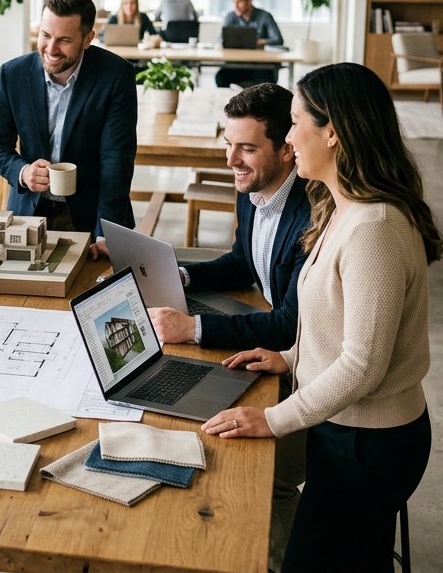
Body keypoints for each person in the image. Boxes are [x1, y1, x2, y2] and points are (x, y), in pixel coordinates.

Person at [203, 62, 443, 572]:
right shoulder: (341, 207)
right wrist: (290, 357)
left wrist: (271, 419)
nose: (288, 137)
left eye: (293, 123)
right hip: (348, 428)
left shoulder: (372, 228)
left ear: (331, 132)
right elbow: (335, 322)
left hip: (370, 444)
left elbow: (363, 364)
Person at [145, 82, 310, 572]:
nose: (231, 159)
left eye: (246, 147)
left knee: (238, 463)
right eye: (227, 143)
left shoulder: (309, 211)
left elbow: (288, 325)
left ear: (286, 150)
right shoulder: (255, 188)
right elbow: (243, 261)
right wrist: (183, 274)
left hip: (307, 369)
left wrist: (193, 328)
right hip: (279, 351)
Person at [0, 0, 137, 260]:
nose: (50, 49)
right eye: (45, 35)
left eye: (64, 40)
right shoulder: (12, 74)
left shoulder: (116, 76)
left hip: (90, 218)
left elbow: (116, 160)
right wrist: (22, 172)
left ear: (88, 39)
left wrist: (106, 233)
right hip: (27, 213)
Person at [218, 0, 284, 88]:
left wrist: (261, 42)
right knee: (220, 77)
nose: (236, 6)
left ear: (249, 1)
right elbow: (221, 39)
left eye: (239, 2)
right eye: (234, 2)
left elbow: (278, 39)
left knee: (265, 80)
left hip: (260, 66)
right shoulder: (230, 16)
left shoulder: (265, 16)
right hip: (236, 65)